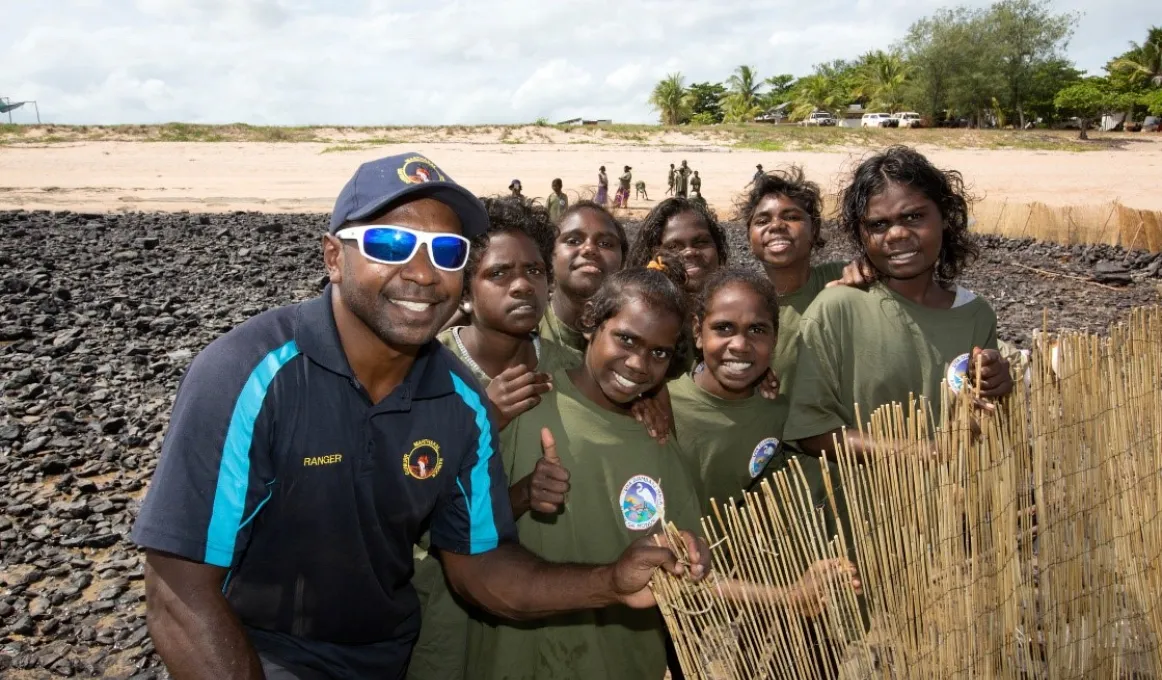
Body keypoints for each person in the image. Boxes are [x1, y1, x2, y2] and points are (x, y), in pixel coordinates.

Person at [131, 152, 709, 680]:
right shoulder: (248, 375)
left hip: (389, 654)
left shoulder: (460, 403)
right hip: (258, 650)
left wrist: (610, 582)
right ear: (334, 256)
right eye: (389, 244)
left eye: (447, 252)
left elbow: (483, 570)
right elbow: (179, 590)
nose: (423, 272)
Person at [465, 254, 856, 680]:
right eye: (626, 340)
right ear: (591, 325)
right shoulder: (525, 406)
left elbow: (690, 573)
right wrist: (521, 495)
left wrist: (789, 597)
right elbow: (451, 529)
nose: (638, 364)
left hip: (625, 662)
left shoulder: (657, 439)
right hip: (519, 660)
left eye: (658, 353)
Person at [411, 196, 573, 680]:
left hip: (544, 597)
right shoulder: (422, 372)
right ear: (464, 290)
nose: (522, 284)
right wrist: (482, 422)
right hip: (440, 607)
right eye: (499, 274)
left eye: (535, 271)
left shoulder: (571, 369)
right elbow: (403, 507)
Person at [785, 145, 1014, 462]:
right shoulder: (837, 309)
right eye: (878, 225)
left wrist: (998, 384)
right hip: (868, 507)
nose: (896, 234)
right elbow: (810, 431)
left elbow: (981, 420)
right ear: (860, 235)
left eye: (914, 216)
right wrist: (925, 453)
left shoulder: (976, 315)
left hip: (956, 504)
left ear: (945, 217)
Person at [670, 268, 782, 514]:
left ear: (774, 338)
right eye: (723, 328)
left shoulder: (780, 415)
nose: (740, 345)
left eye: (757, 330)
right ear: (698, 332)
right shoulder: (661, 407)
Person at [539, 201, 627, 359]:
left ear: (623, 260)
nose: (589, 249)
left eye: (605, 244)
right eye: (573, 241)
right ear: (548, 255)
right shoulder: (526, 335)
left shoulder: (637, 335)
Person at [626, 197, 728, 296]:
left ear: (718, 248)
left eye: (701, 242)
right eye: (673, 247)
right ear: (651, 257)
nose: (689, 252)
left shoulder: (739, 305)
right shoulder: (636, 308)